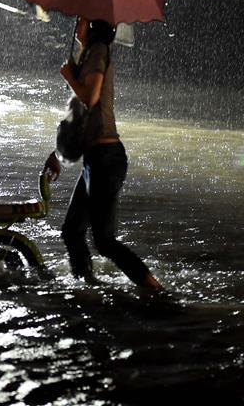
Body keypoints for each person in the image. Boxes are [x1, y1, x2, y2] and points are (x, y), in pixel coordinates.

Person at [43, 17, 162, 291]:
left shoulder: (98, 52)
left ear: (93, 26)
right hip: (95, 159)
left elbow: (91, 97)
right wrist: (58, 154)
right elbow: (81, 117)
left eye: (82, 19)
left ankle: (156, 291)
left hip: (106, 159)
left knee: (104, 241)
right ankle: (88, 286)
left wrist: (70, 77)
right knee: (73, 231)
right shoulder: (88, 56)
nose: (78, 24)